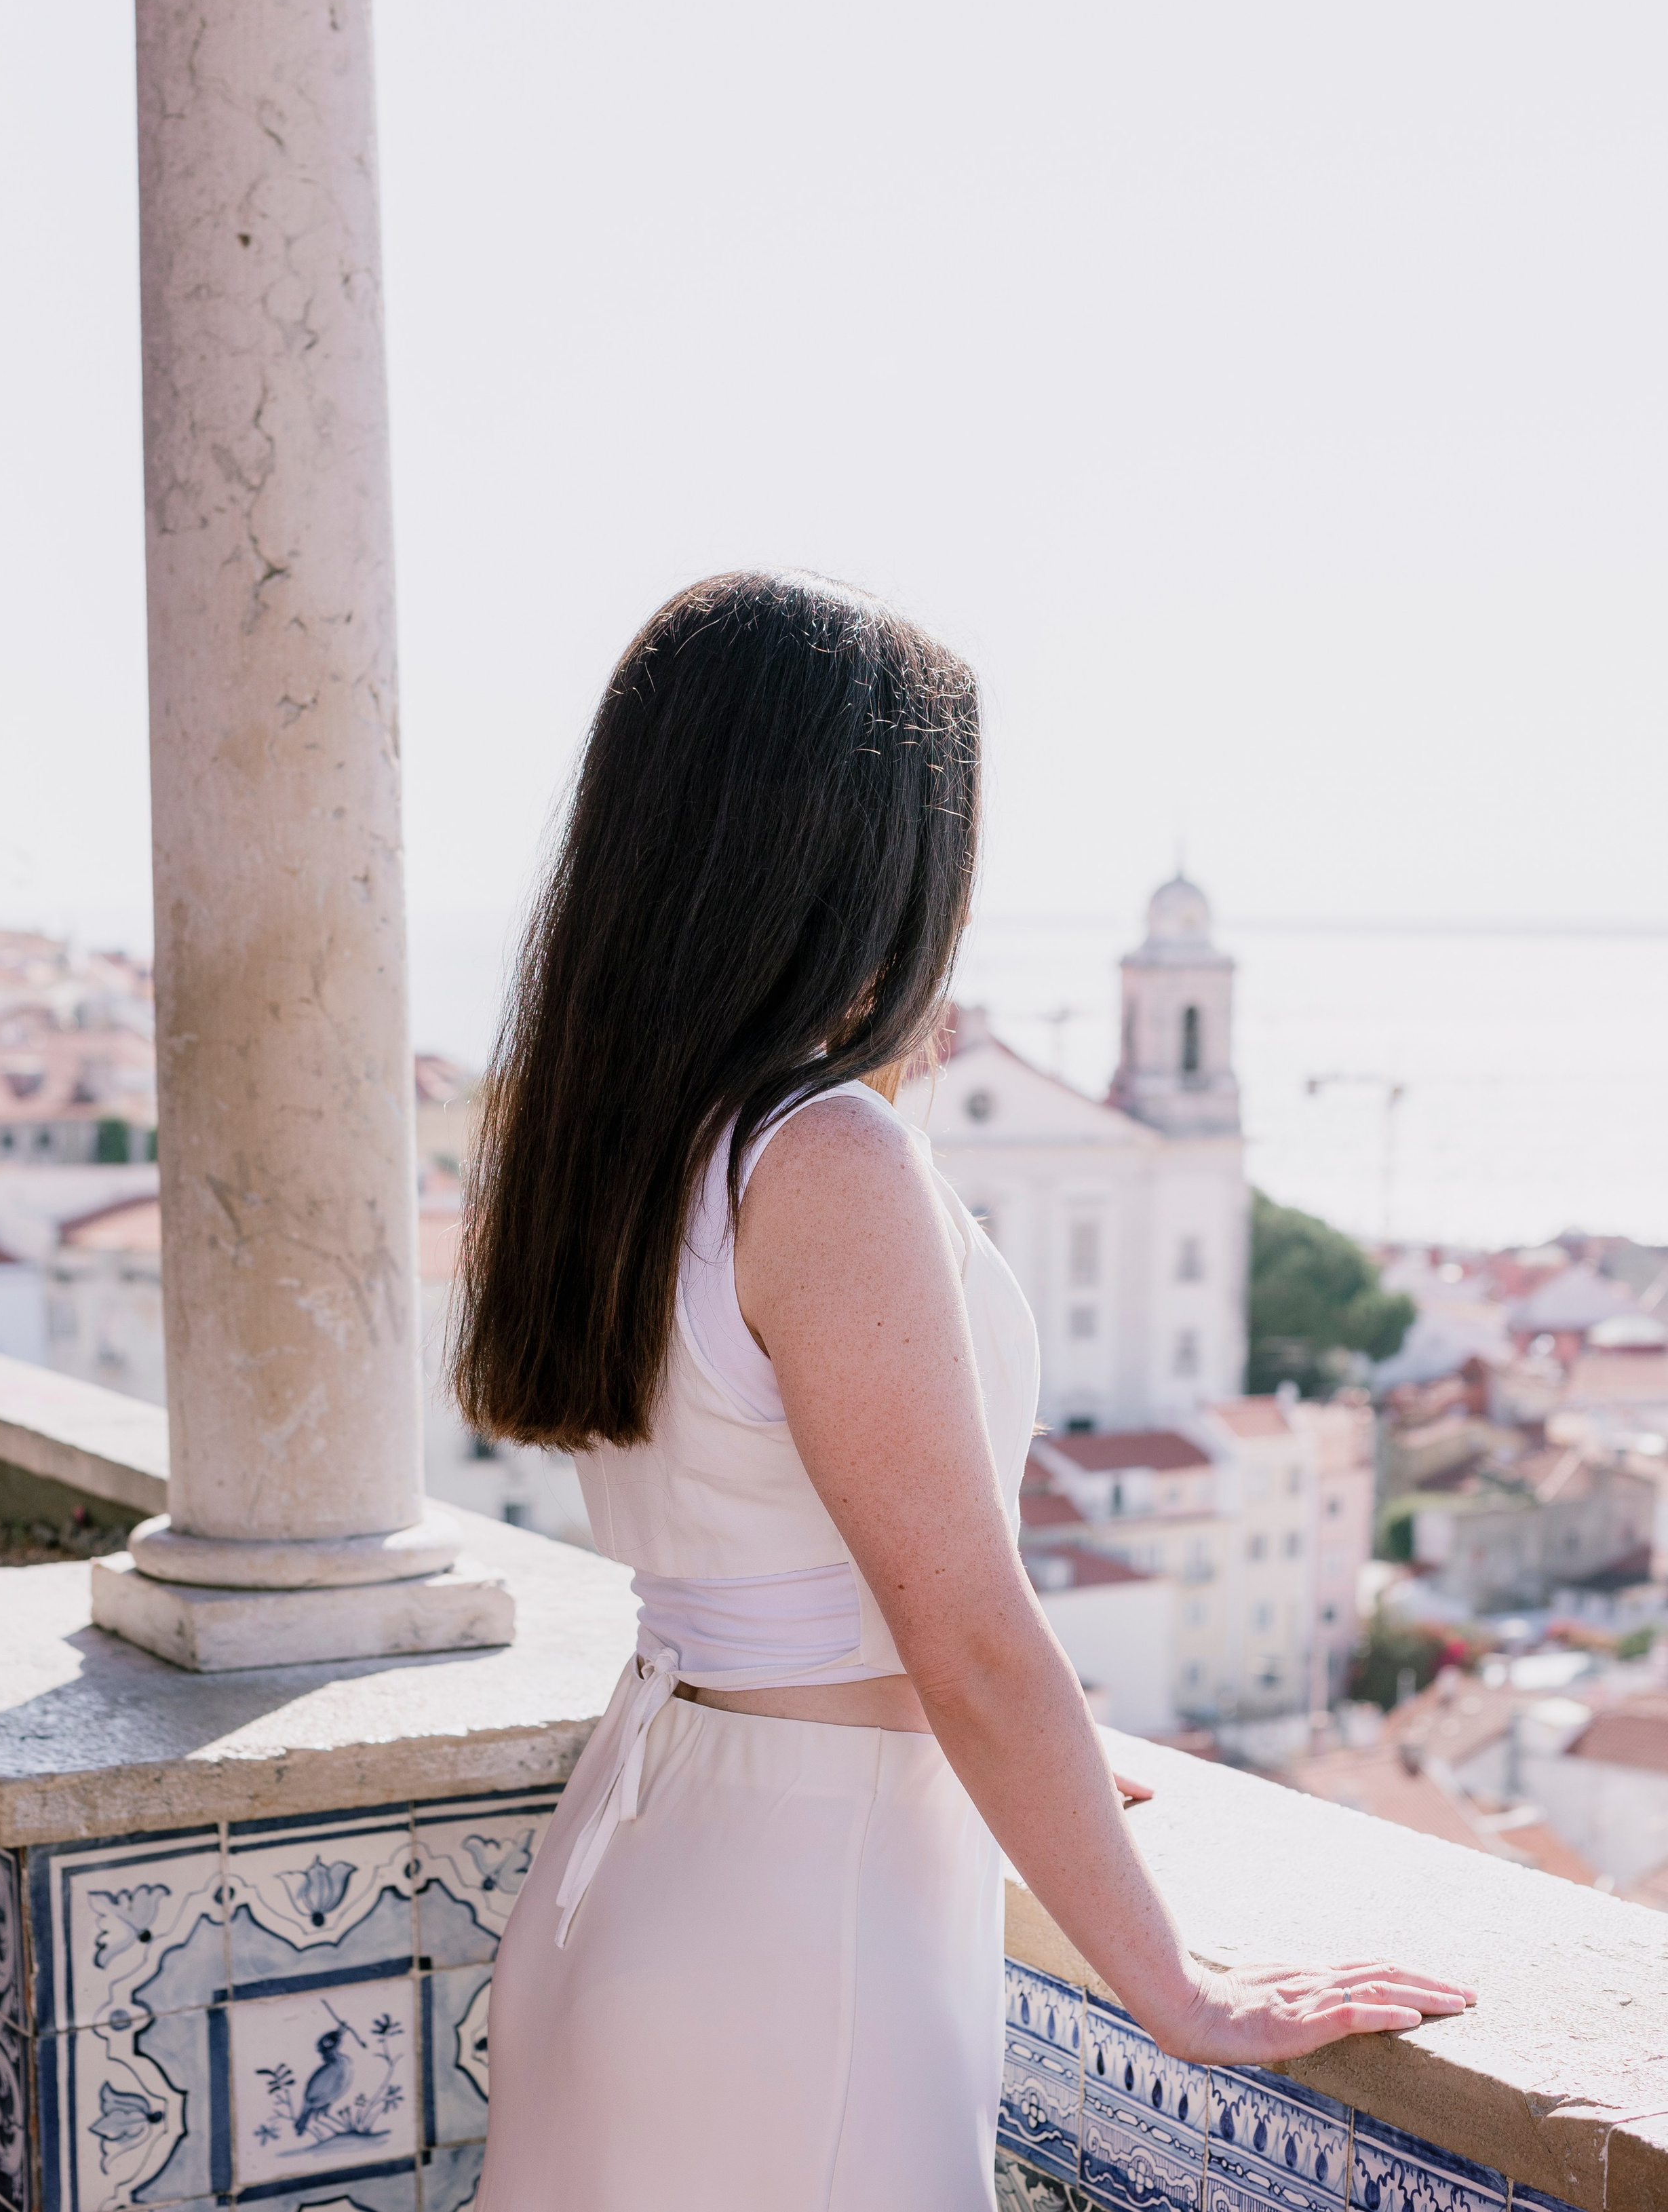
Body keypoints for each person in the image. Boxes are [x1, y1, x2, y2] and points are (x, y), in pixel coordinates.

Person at [454, 570, 1471, 2212]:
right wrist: (1182, 1988)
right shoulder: (822, 1156)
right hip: (802, 1921)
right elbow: (969, 1634)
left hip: (646, 1861)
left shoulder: (625, 1138)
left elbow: (810, 1572)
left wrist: (1051, 1752)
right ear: (870, 859)